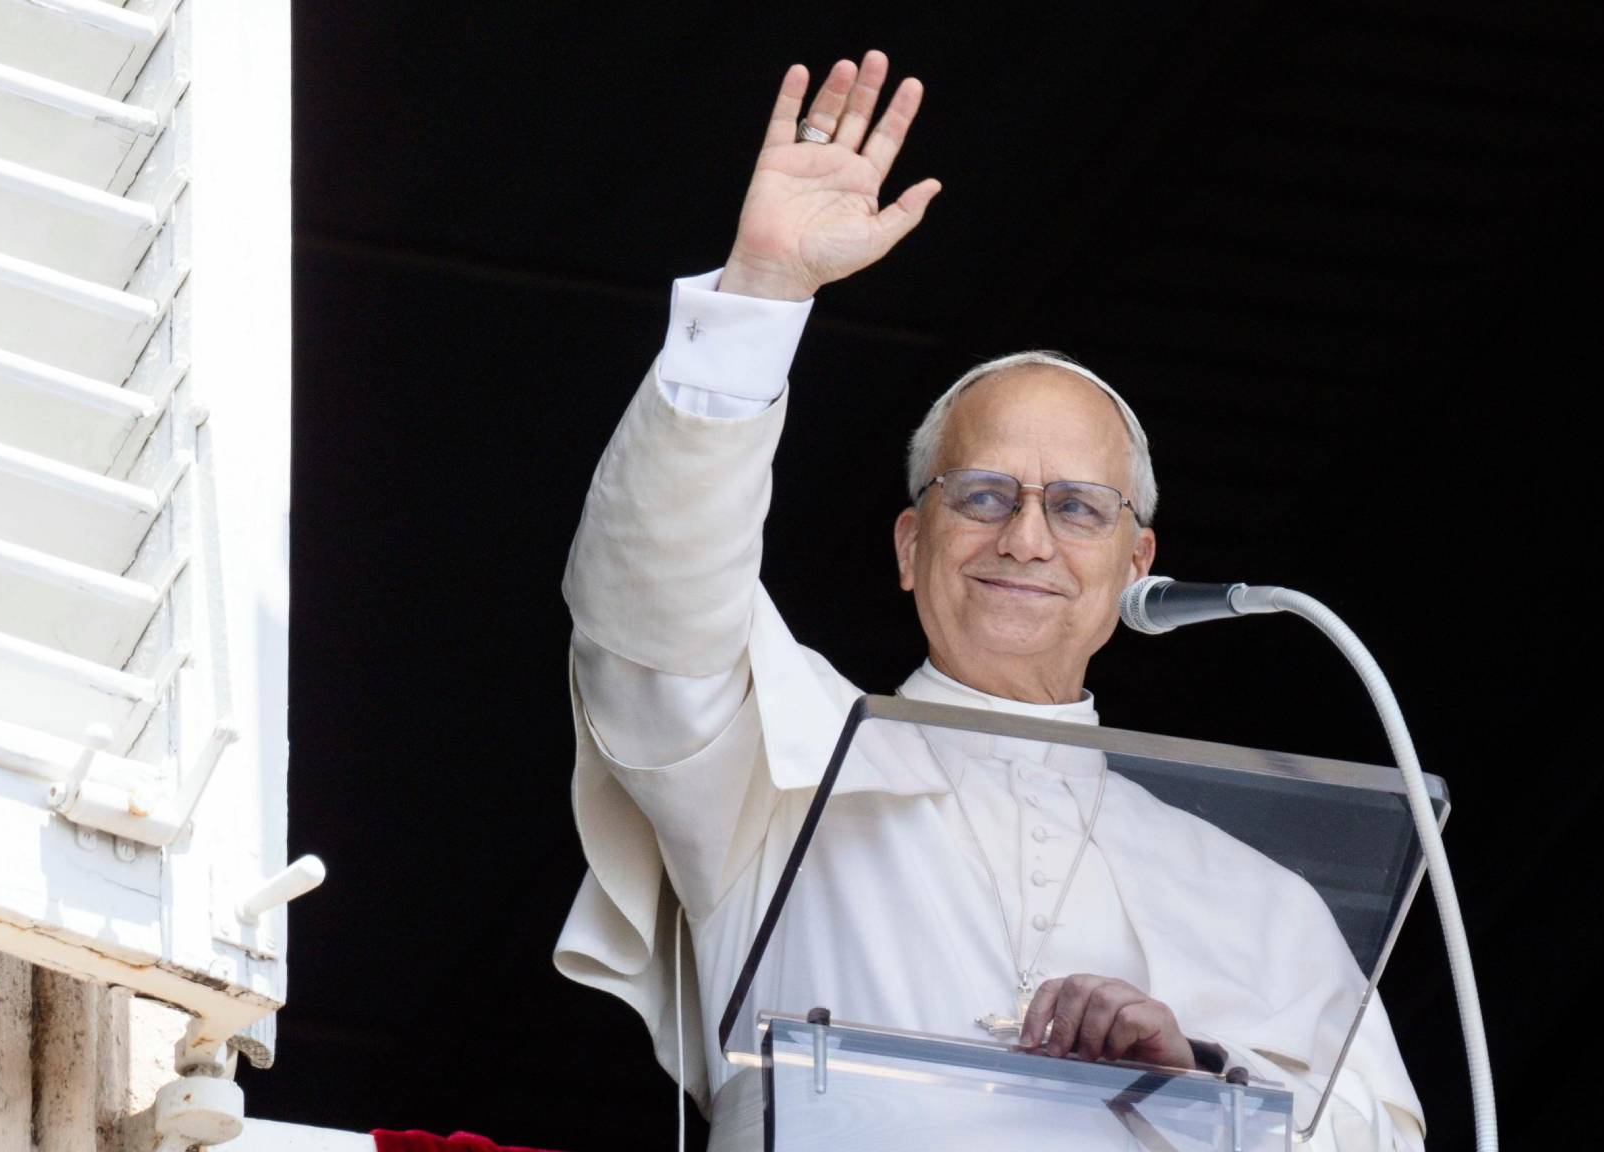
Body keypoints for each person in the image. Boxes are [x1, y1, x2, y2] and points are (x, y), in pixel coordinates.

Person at [551, 50, 1425, 1151]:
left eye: (1075, 507)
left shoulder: (1256, 898)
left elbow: (1380, 1140)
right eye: (982, 495)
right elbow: (647, 607)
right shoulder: (774, 773)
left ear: (1130, 563)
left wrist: (1197, 1077)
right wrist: (760, 294)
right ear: (911, 546)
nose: (1024, 538)